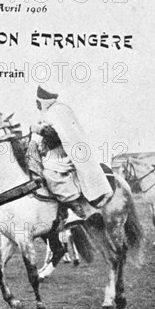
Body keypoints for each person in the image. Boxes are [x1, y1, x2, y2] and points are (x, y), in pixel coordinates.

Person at [29, 85, 113, 229]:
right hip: (52, 156)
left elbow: (58, 137)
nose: (36, 106)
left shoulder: (56, 112)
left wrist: (39, 130)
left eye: (37, 103)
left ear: (42, 102)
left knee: (50, 175)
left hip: (62, 155)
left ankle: (74, 209)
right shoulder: (51, 113)